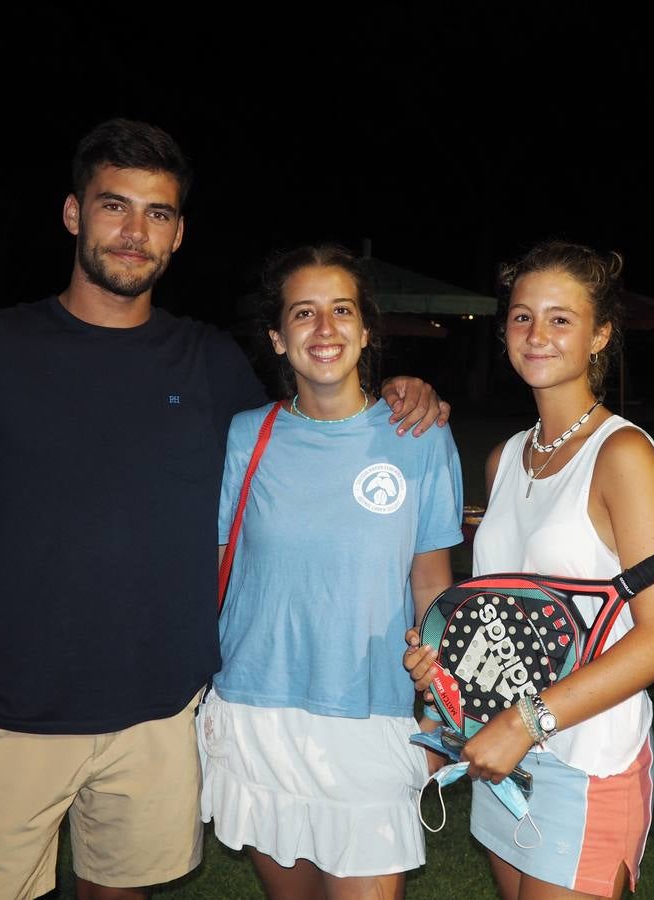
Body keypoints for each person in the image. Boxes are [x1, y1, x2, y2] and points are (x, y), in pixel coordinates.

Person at [0, 119, 449, 900]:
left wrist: (402, 395)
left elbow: (313, 427)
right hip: (6, 704)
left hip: (157, 716)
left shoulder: (209, 363)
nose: (134, 231)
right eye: (115, 206)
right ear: (74, 214)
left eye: (158, 214)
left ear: (179, 235)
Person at [405, 240, 654, 898]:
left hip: (589, 762)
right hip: (507, 765)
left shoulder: (622, 454)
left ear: (600, 336)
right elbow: (498, 615)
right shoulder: (505, 460)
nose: (537, 334)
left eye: (561, 319)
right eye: (523, 316)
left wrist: (524, 721)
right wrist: (441, 675)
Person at [197, 244, 463, 899]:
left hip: (372, 714)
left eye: (341, 310)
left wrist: (440, 722)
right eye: (304, 313)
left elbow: (433, 586)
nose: (324, 328)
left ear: (366, 330)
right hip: (258, 714)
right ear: (277, 339)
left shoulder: (420, 437)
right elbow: (208, 573)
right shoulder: (243, 436)